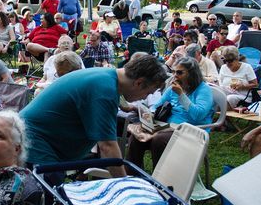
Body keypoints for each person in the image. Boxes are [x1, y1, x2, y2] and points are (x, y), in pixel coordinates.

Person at [20, 54, 168, 178]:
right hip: (36, 145)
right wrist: (125, 184)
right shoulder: (105, 90)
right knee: (47, 199)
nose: (144, 98)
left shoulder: (107, 77)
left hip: (36, 141)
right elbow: (108, 147)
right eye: (148, 92)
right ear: (139, 82)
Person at [127, 57, 214, 170]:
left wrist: (181, 95)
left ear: (192, 73)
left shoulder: (203, 90)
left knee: (159, 140)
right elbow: (156, 106)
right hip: (168, 127)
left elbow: (198, 115)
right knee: (136, 137)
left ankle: (160, 180)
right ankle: (132, 175)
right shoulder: (173, 88)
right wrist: (151, 114)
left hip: (192, 131)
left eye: (179, 72)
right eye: (173, 71)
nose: (175, 75)